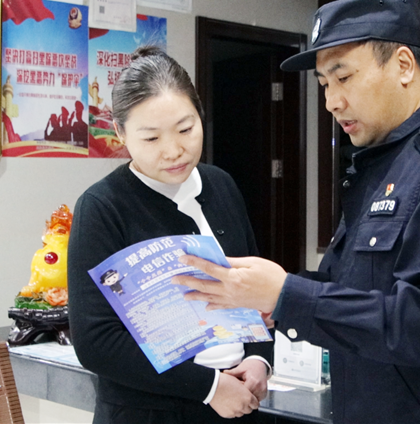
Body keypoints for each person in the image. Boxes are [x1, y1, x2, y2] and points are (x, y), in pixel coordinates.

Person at [174, 0, 420, 424]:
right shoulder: (381, 164)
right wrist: (272, 296)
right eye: (324, 84)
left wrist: (288, 295)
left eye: (344, 78)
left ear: (403, 66)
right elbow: (356, 288)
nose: (332, 101)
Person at [68, 45, 273, 424]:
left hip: (240, 402)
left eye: (185, 129)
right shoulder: (101, 207)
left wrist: (260, 359)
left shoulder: (221, 185)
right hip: (150, 413)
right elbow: (97, 342)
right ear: (120, 132)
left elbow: (253, 293)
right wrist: (209, 387)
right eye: (151, 138)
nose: (174, 151)